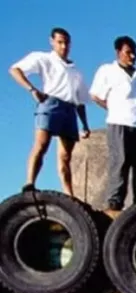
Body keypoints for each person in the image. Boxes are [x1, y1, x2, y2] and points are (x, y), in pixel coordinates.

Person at [9, 27, 91, 196]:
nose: (63, 46)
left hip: (69, 109)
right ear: (52, 42)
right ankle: (30, 183)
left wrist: (85, 125)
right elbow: (15, 70)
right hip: (50, 102)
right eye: (60, 42)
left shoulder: (75, 71)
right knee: (41, 145)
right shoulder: (43, 58)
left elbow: (80, 101)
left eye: (66, 43)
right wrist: (32, 89)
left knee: (65, 157)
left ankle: (69, 194)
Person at [89, 35, 136, 210]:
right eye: (128, 53)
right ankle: (115, 201)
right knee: (120, 162)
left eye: (134, 53)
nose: (132, 56)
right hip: (119, 122)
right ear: (118, 52)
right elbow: (95, 95)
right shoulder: (108, 70)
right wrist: (112, 108)